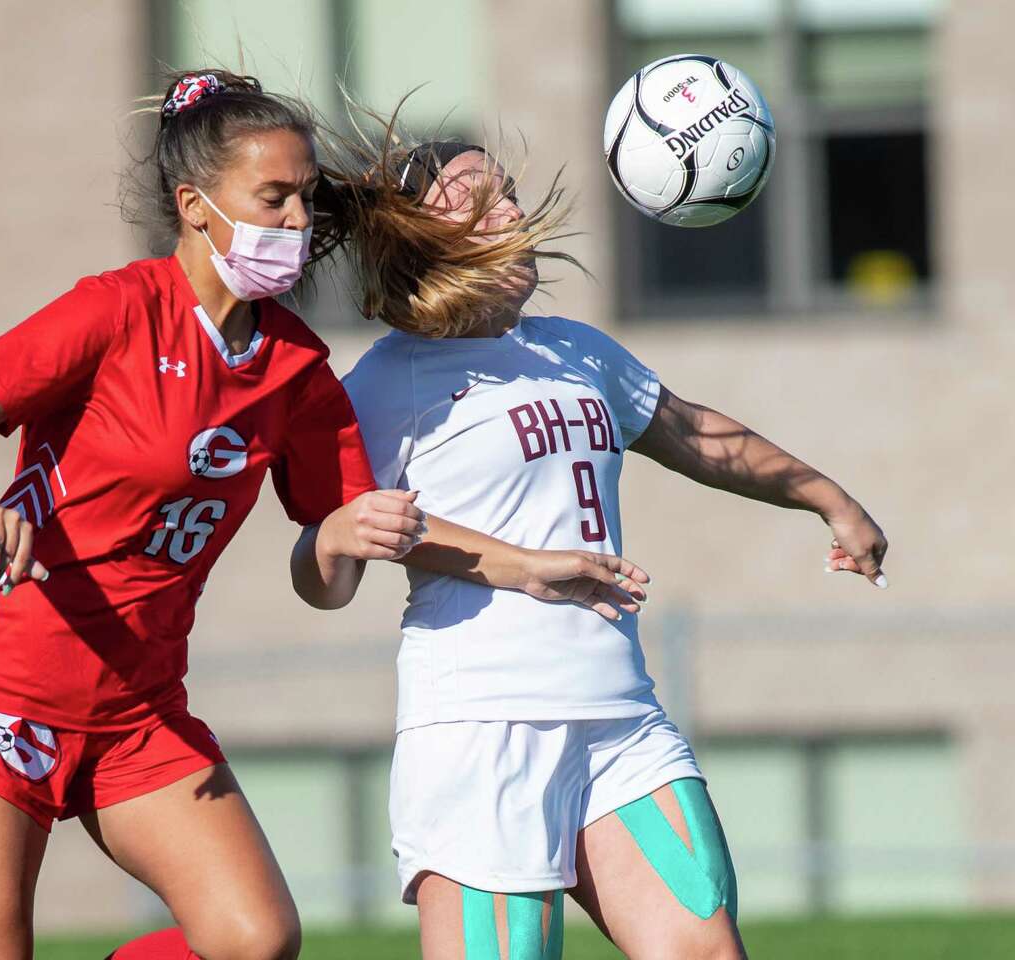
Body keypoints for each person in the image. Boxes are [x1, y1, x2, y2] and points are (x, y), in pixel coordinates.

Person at [0, 71, 648, 960]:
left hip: (138, 705)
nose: (296, 220)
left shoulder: (295, 366)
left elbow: (355, 535)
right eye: (273, 197)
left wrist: (519, 565)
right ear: (196, 205)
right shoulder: (117, 309)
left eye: (304, 197)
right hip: (6, 680)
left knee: (254, 940)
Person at [334, 137, 889, 960]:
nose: (513, 211)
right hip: (482, 727)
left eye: (513, 192)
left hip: (621, 721)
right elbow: (341, 545)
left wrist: (828, 498)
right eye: (475, 196)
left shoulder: (576, 349)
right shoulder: (385, 381)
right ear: (415, 234)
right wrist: (519, 565)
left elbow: (690, 430)